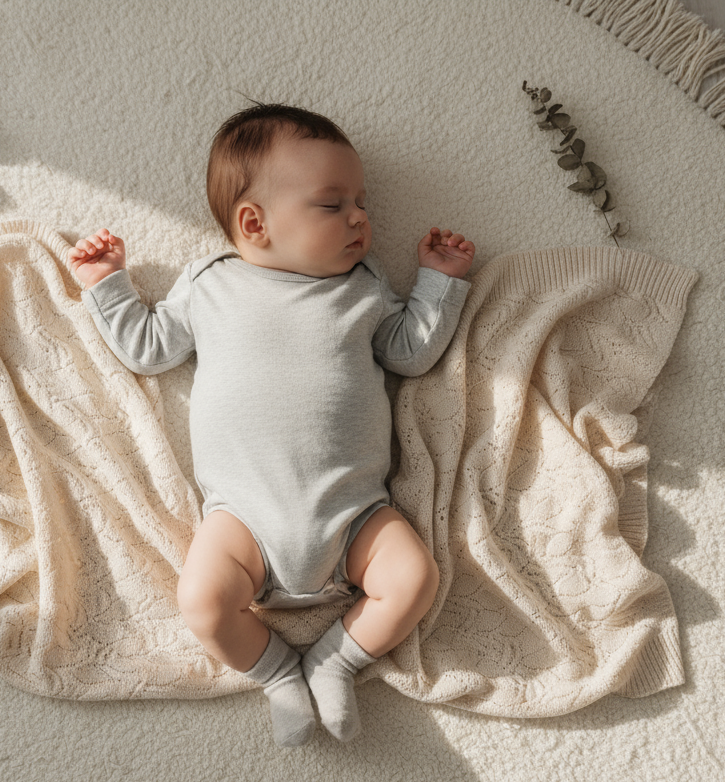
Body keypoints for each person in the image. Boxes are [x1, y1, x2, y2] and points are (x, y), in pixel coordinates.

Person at [67, 102, 474, 746]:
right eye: (332, 204)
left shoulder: (363, 286)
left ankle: (337, 660)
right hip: (242, 520)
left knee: (414, 578)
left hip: (356, 510)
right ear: (254, 223)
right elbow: (149, 349)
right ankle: (280, 673)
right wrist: (106, 284)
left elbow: (409, 352)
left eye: (361, 201)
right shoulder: (208, 284)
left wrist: (437, 284)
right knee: (202, 601)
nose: (361, 217)